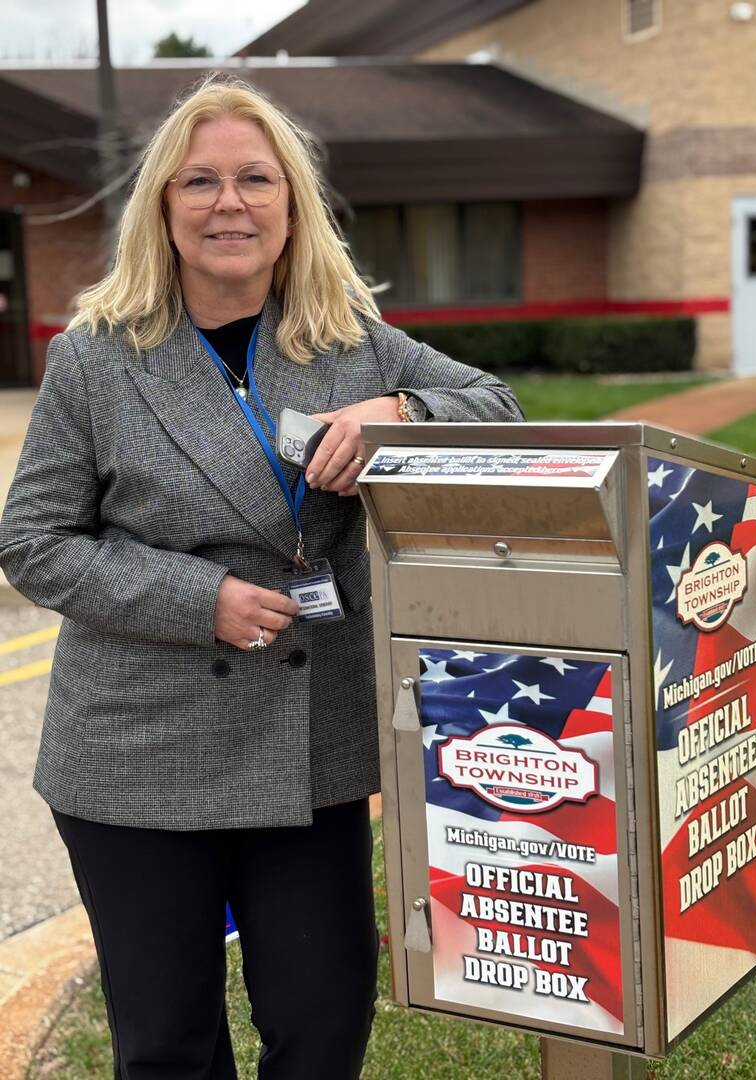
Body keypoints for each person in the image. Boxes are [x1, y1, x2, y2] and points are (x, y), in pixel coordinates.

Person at [0, 74, 524, 1079]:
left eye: (254, 179)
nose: (228, 203)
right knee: (167, 1048)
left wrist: (400, 414)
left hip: (311, 749)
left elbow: (499, 405)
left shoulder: (351, 346)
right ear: (163, 208)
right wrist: (198, 600)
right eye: (199, 181)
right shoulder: (95, 361)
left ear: (292, 209)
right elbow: (34, 543)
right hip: (135, 753)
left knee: (323, 1031)